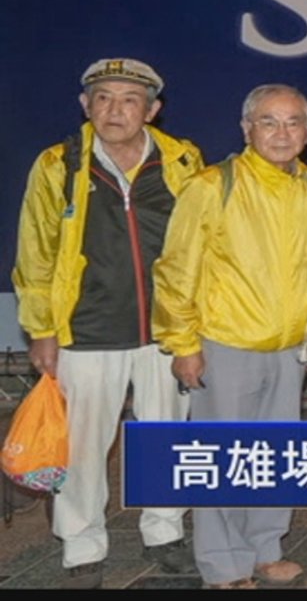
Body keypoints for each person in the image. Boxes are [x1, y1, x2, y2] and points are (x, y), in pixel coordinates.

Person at [12, 59, 203, 588]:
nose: (115, 110)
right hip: (87, 329)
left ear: (152, 110)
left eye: (129, 99)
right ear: (85, 105)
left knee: (165, 437)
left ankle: (165, 531)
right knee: (83, 444)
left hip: (166, 330)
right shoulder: (59, 164)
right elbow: (35, 251)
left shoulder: (183, 161)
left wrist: (196, 323)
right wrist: (42, 329)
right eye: (103, 97)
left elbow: (200, 243)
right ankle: (82, 544)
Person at [153, 84, 307, 589]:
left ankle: (265, 550)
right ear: (247, 129)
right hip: (226, 344)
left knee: (275, 457)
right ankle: (224, 565)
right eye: (269, 122)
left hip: (289, 350)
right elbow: (176, 270)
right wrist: (183, 344)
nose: (282, 133)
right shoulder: (212, 186)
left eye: (293, 122)